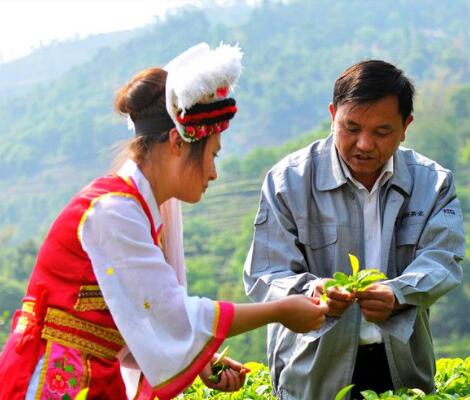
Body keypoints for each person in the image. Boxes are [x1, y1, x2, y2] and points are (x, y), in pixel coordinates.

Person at [0, 43, 328, 400]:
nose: (214, 172)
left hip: (87, 374)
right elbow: (172, 312)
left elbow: (141, 316)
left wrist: (200, 358)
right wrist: (279, 311)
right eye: (212, 154)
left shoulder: (134, 209)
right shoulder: (115, 212)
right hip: (54, 380)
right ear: (177, 142)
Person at [243, 60, 465, 400]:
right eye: (351, 127)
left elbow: (443, 259)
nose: (364, 144)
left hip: (401, 369)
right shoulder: (288, 181)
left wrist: (398, 293)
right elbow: (265, 273)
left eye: (382, 132)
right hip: (312, 372)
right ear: (333, 115)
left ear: (405, 127)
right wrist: (314, 292)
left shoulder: (432, 182)